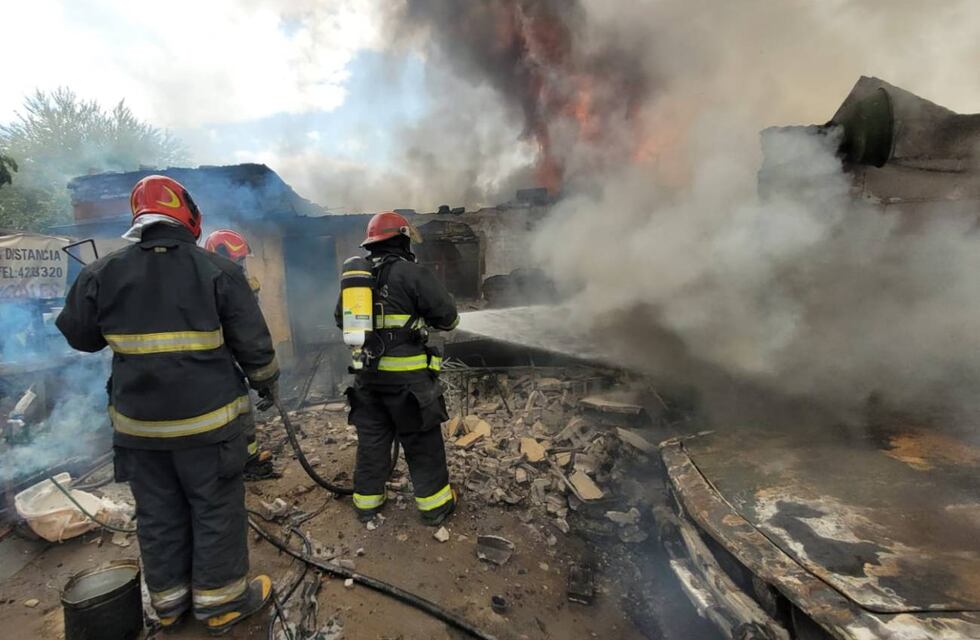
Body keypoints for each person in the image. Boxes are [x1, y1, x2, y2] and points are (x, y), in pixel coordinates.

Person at [56, 175, 279, 635]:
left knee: (159, 514)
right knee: (215, 508)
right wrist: (267, 382)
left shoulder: (101, 272)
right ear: (189, 216)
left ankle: (169, 605)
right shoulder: (218, 271)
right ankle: (221, 604)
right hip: (208, 430)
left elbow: (79, 336)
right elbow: (254, 346)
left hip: (139, 432)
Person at [335, 211, 460, 526]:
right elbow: (448, 319)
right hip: (409, 386)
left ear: (373, 244)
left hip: (367, 381)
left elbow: (341, 319)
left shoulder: (357, 280)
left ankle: (367, 504)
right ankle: (435, 507)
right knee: (422, 445)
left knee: (373, 443)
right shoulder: (413, 274)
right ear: (402, 239)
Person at [203, 228, 273, 480]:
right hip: (215, 364)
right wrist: (264, 377)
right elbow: (245, 333)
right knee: (231, 414)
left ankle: (247, 459)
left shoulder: (231, 283)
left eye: (243, 261)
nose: (242, 267)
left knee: (241, 410)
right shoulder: (212, 286)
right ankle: (239, 464)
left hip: (225, 362)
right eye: (239, 261)